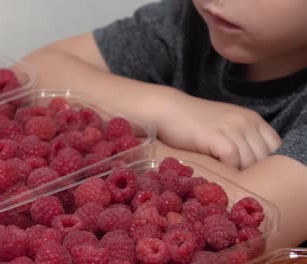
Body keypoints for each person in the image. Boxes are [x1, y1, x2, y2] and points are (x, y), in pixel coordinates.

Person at [19, 0, 307, 251]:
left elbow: (243, 219)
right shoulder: (188, 24)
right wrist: (170, 108)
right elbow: (32, 72)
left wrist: (129, 146)